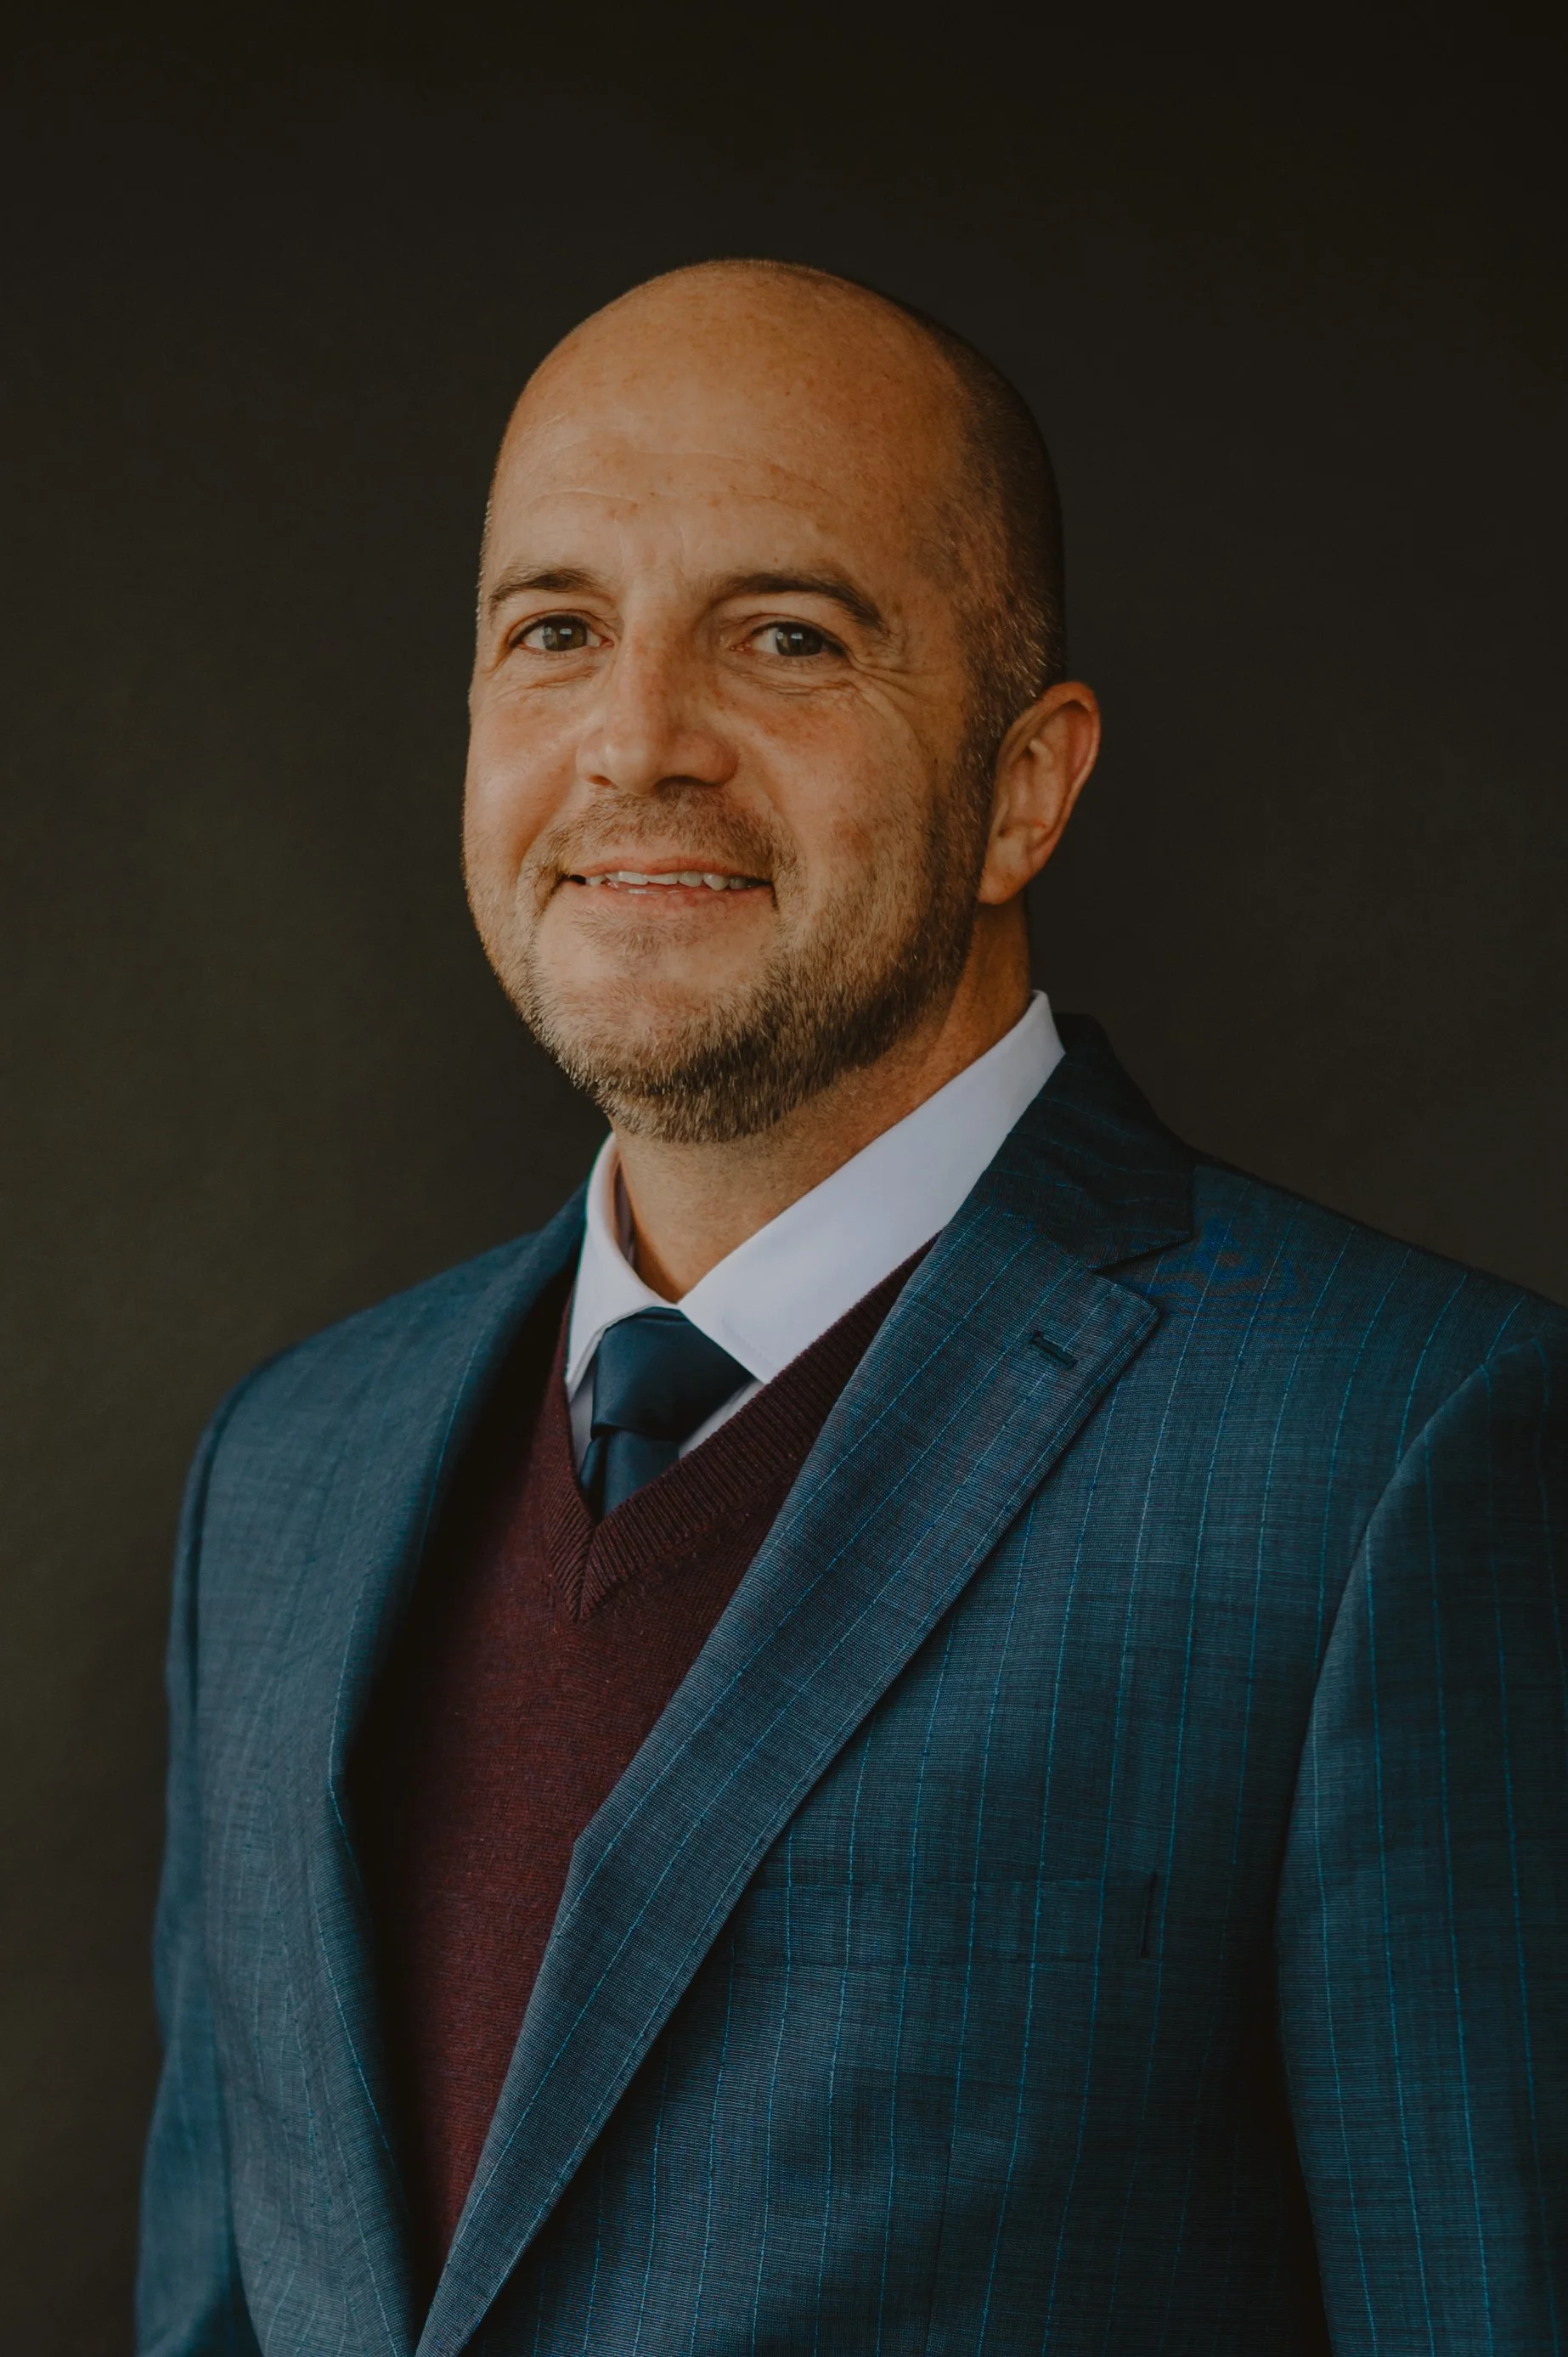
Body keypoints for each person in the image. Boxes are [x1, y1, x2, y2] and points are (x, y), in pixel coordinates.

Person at [137, 260, 1568, 2357]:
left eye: (784, 635)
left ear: (1022, 786)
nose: (636, 742)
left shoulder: (1399, 1459)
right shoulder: (278, 1478)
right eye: (554, 632)